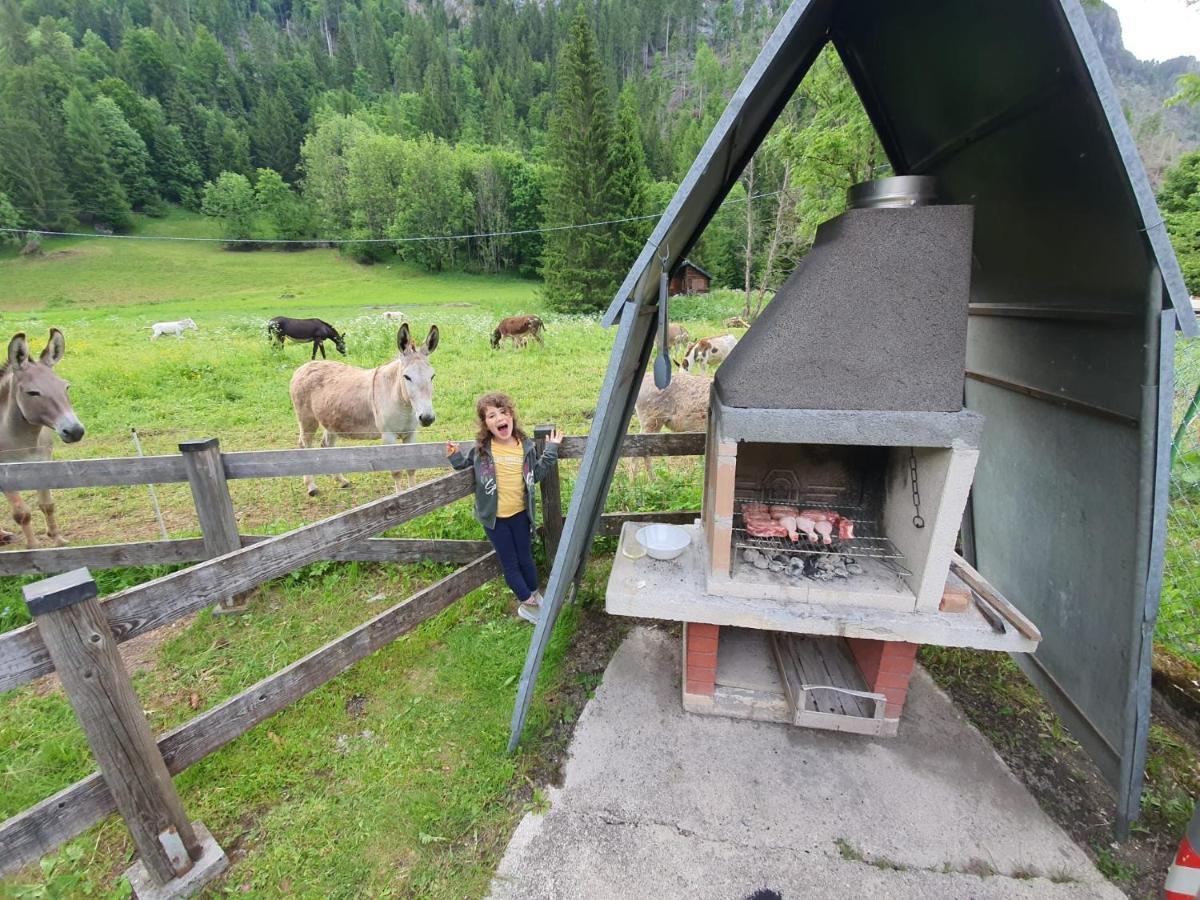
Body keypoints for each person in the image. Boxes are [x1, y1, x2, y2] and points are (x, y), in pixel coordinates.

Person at [447, 392, 562, 623]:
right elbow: (463, 466)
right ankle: (527, 605)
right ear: (486, 424)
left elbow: (536, 474)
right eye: (492, 415)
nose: (499, 417)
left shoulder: (525, 446)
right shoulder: (482, 450)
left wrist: (550, 450)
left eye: (503, 412)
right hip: (495, 519)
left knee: (526, 558)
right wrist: (454, 455)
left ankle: (535, 597)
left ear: (511, 416)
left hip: (520, 515)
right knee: (510, 563)